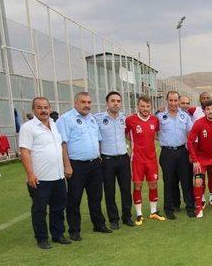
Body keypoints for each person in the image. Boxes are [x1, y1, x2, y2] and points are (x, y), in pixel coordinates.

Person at [57, 91, 111, 240]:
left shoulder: (92, 119)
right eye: (83, 102)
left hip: (94, 164)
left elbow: (98, 140)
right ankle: (74, 230)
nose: (86, 105)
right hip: (76, 165)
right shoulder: (66, 119)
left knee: (96, 196)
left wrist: (98, 156)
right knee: (74, 199)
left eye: (88, 102)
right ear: (75, 103)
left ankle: (98, 224)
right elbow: (63, 144)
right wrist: (67, 165)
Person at [19, 97, 70, 249]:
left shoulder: (54, 125)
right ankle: (41, 238)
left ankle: (58, 234)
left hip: (58, 176)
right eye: (39, 107)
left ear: (50, 108)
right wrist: (30, 174)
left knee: (58, 208)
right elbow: (25, 152)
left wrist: (66, 166)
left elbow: (61, 147)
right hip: (40, 179)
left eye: (46, 107)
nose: (43, 110)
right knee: (40, 210)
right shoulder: (28, 127)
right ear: (34, 110)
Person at [95, 91, 133, 229]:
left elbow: (130, 135)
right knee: (110, 191)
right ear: (107, 103)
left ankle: (127, 216)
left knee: (126, 189)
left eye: (118, 101)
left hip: (123, 158)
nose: (116, 103)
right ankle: (113, 219)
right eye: (113, 101)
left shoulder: (124, 118)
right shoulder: (98, 118)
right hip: (107, 160)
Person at [125, 96, 165, 225]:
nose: (145, 109)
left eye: (148, 106)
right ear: (138, 106)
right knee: (138, 185)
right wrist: (134, 144)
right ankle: (139, 214)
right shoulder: (130, 120)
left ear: (150, 107)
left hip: (152, 159)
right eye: (142, 106)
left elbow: (156, 134)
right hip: (137, 159)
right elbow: (125, 134)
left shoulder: (155, 120)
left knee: (153, 184)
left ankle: (153, 212)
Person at [156, 91, 194, 219]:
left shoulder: (185, 116)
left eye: (175, 100)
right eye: (171, 100)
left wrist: (191, 152)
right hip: (167, 152)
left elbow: (190, 135)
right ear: (167, 100)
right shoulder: (160, 116)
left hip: (183, 151)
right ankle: (169, 209)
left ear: (178, 101)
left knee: (186, 181)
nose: (173, 103)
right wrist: (163, 141)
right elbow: (153, 132)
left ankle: (190, 207)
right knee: (169, 182)